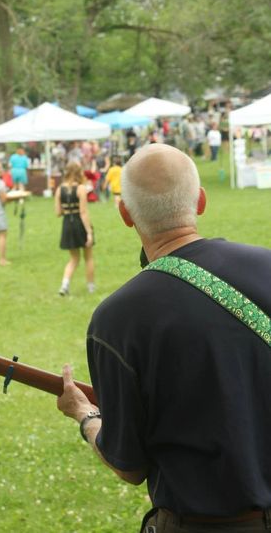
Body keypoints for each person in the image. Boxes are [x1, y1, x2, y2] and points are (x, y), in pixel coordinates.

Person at [57, 143, 271, 533]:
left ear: (125, 214)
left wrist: (85, 415)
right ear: (200, 201)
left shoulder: (116, 319)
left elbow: (128, 465)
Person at [55, 161, 94, 296]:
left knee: (74, 259)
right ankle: (91, 287)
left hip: (67, 224)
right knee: (88, 258)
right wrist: (89, 232)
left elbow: (58, 212)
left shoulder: (59, 189)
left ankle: (64, 285)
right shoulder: (81, 188)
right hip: (79, 224)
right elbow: (83, 212)